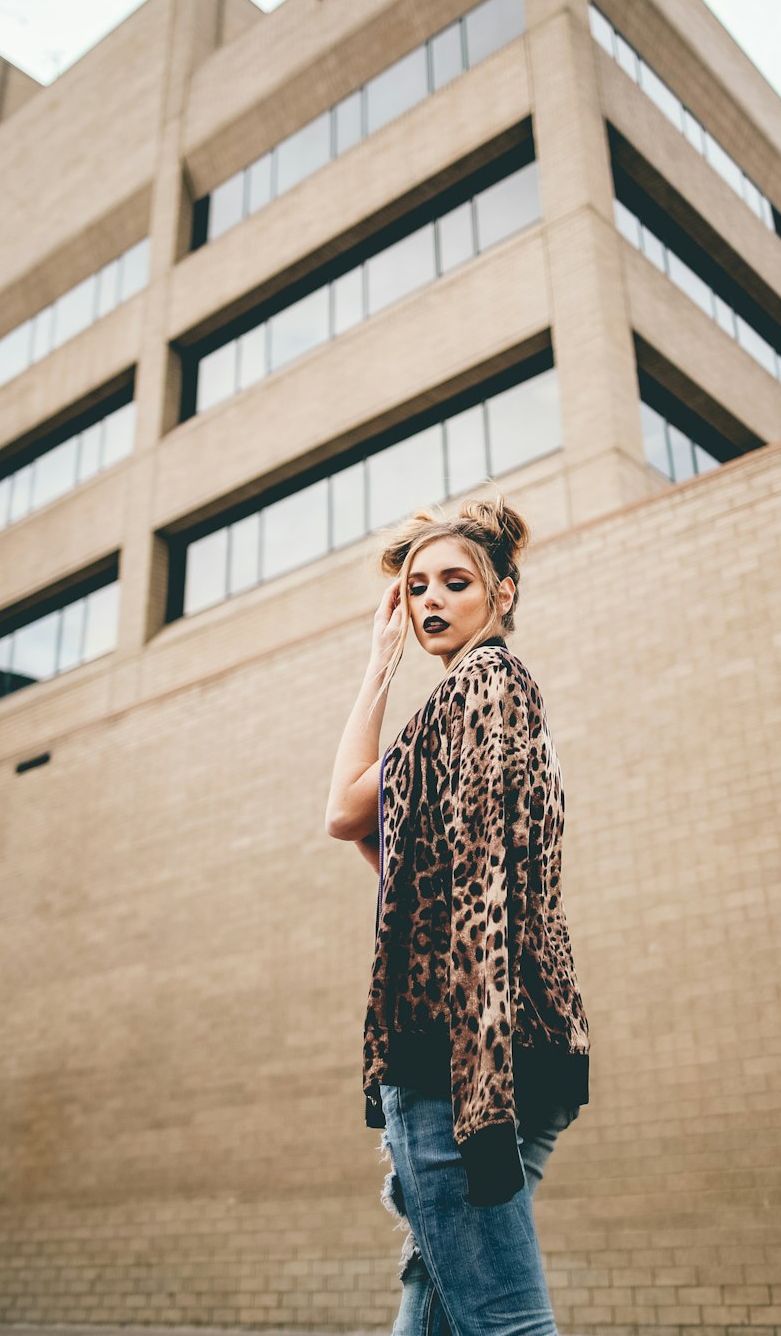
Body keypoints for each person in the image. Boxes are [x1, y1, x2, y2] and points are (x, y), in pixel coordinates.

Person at [325, 494, 590, 1336]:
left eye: (455, 582)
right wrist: (380, 660)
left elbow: (478, 893)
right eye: (416, 588)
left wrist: (478, 1099)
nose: (430, 601)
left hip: (460, 1051)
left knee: (507, 1322)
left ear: (503, 593)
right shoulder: (456, 710)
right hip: (516, 1039)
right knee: (434, 1311)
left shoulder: (484, 688)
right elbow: (348, 815)